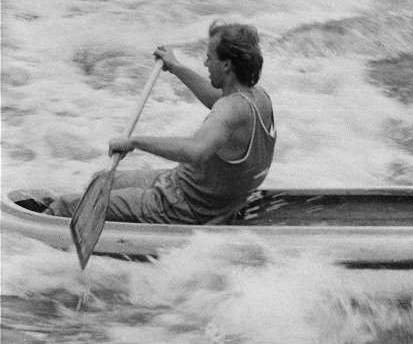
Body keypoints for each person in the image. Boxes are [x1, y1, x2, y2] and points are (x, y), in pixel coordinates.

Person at [47, 21, 276, 224]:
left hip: (181, 205)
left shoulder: (228, 110)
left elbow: (195, 151)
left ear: (226, 65)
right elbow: (216, 99)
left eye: (209, 57)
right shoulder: (257, 97)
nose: (206, 63)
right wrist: (176, 67)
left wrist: (135, 142)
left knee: (65, 207)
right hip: (189, 189)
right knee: (98, 181)